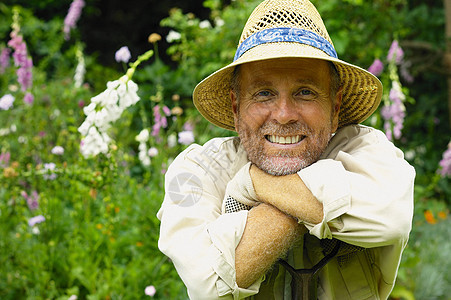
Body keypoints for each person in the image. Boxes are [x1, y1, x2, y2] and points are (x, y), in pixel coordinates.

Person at [157, 0, 415, 299]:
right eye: (264, 93)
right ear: (236, 106)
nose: (283, 114)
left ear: (335, 106)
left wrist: (251, 184)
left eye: (305, 92)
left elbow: (389, 220)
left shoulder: (369, 150)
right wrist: (306, 202)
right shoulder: (197, 170)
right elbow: (209, 284)